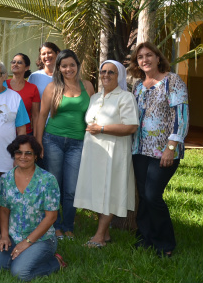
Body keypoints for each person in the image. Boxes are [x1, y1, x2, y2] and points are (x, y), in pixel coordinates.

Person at [129, 42, 189, 257]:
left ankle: (165, 244)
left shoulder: (172, 81)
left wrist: (171, 147)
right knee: (144, 197)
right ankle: (146, 238)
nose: (144, 60)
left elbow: (181, 118)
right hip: (139, 150)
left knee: (153, 195)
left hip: (163, 151)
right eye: (140, 57)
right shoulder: (137, 85)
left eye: (148, 55)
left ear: (157, 58)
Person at [74, 60, 139, 248]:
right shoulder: (95, 97)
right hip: (94, 151)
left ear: (119, 76)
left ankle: (100, 236)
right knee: (98, 190)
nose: (106, 75)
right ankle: (106, 233)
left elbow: (131, 126)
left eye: (111, 72)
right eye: (103, 71)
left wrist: (102, 128)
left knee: (110, 190)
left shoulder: (126, 97)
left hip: (115, 151)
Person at [35, 49, 94, 239]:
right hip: (53, 140)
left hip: (78, 142)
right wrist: (38, 143)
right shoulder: (52, 87)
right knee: (54, 185)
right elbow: (42, 116)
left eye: (72, 65)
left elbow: (94, 114)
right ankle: (55, 225)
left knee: (71, 188)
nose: (68, 69)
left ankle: (68, 226)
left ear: (77, 65)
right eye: (64, 66)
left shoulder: (88, 86)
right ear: (59, 68)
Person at [0, 135, 66, 281]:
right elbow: (4, 209)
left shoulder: (47, 180)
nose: (23, 156)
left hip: (42, 239)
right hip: (14, 235)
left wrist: (27, 243)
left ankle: (55, 262)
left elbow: (51, 217)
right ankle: (20, 257)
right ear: (14, 155)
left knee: (20, 273)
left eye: (28, 153)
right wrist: (5, 235)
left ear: (36, 156)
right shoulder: (6, 179)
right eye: (19, 152)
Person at [7, 53, 40, 134]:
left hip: (26, 134)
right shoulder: (3, 85)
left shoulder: (33, 88)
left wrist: (36, 138)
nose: (15, 64)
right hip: (5, 134)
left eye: (19, 62)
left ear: (26, 67)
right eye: (13, 62)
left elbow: (35, 116)